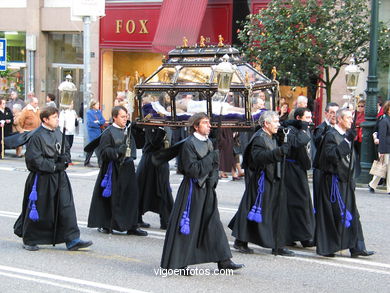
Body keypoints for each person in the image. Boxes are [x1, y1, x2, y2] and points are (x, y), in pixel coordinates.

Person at [160, 113, 243, 273]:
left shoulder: (209, 142)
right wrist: (211, 157)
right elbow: (192, 170)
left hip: (208, 190)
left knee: (214, 224)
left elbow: (214, 166)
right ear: (196, 126)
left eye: (209, 122)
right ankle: (178, 262)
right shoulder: (189, 144)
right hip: (192, 190)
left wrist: (213, 180)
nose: (209, 125)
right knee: (188, 225)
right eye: (205, 123)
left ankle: (224, 260)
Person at [13, 106, 92, 251]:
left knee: (66, 206)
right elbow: (33, 160)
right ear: (45, 119)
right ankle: (30, 239)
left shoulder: (58, 132)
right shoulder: (36, 136)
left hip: (60, 177)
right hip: (42, 178)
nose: (57, 120)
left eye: (57, 117)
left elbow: (66, 149)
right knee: (39, 209)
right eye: (54, 117)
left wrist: (64, 160)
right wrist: (54, 166)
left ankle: (72, 239)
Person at [229, 111, 294, 256]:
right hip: (261, 180)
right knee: (253, 208)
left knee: (276, 211)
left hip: (273, 178)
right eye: (275, 122)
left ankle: (278, 244)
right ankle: (241, 240)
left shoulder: (272, 136)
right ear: (266, 124)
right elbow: (258, 158)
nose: (278, 124)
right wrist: (279, 152)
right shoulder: (259, 138)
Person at [316, 108, 375, 258]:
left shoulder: (344, 135)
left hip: (345, 181)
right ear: (339, 119)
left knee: (353, 213)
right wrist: (347, 141)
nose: (351, 121)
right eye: (348, 118)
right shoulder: (330, 135)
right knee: (333, 214)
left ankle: (357, 247)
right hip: (333, 183)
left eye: (351, 118)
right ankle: (328, 247)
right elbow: (330, 156)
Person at [87, 106, 147, 236]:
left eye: (126, 117)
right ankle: (107, 224)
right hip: (112, 169)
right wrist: (117, 151)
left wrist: (140, 130)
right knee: (112, 197)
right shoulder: (108, 132)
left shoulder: (128, 130)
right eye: (122, 117)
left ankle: (132, 225)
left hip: (128, 167)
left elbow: (140, 144)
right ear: (115, 117)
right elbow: (103, 152)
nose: (125, 119)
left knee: (131, 196)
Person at [283, 108, 315, 247]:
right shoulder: (290, 129)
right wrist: (302, 130)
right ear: (298, 118)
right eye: (307, 118)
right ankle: (301, 236)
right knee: (298, 203)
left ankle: (302, 235)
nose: (310, 121)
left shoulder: (300, 129)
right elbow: (296, 143)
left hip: (299, 169)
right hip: (291, 169)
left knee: (304, 203)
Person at [136, 127, 173, 230]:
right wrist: (161, 130)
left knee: (163, 190)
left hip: (161, 160)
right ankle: (137, 218)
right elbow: (153, 142)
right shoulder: (151, 125)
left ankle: (166, 220)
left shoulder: (165, 126)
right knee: (142, 189)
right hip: (149, 160)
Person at [369, 100, 390, 194]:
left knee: (386, 169)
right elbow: (382, 136)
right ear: (388, 109)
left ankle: (372, 184)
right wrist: (381, 151)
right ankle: (372, 184)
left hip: (387, 147)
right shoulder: (384, 120)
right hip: (385, 148)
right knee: (383, 168)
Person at [84, 100, 106, 167]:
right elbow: (90, 123)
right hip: (92, 132)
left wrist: (98, 122)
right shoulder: (89, 112)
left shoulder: (99, 112)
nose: (98, 105)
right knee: (95, 147)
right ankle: (99, 163)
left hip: (98, 132)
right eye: (97, 104)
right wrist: (98, 124)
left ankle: (87, 162)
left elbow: (103, 120)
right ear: (93, 105)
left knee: (94, 147)